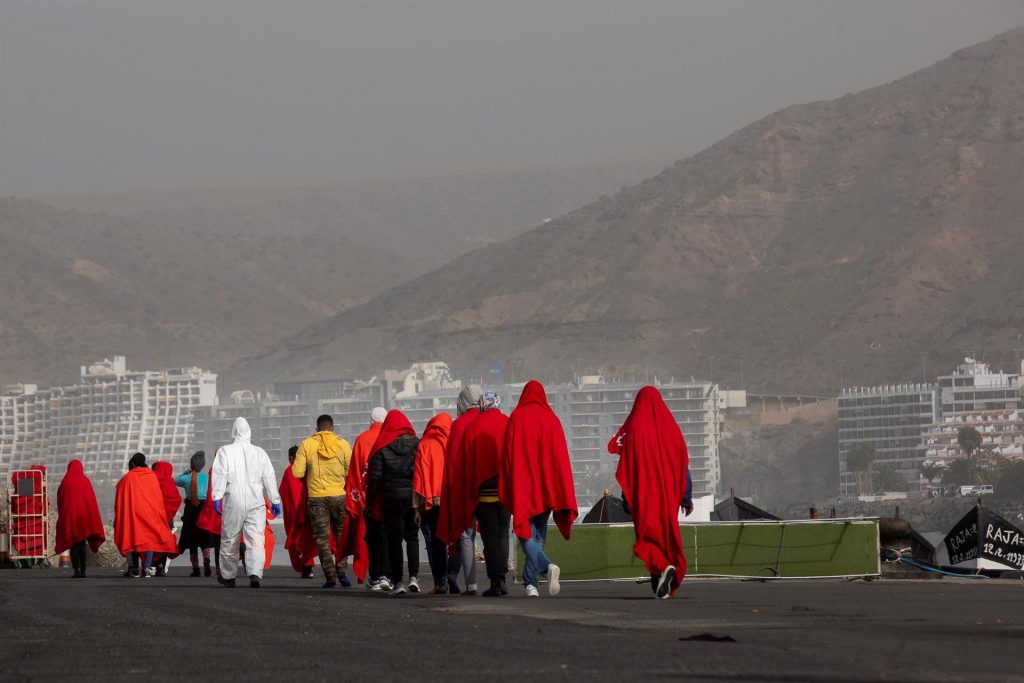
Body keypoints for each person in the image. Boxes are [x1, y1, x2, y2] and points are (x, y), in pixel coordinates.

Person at [608, 386, 692, 599]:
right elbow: (682, 465)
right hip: (669, 497)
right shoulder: (672, 429)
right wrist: (686, 497)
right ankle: (661, 583)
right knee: (665, 535)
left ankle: (664, 568)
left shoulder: (634, 428)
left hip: (645, 497)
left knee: (647, 539)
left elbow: (628, 466)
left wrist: (627, 496)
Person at [501, 380, 578, 597]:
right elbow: (560, 459)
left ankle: (545, 569)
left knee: (525, 532)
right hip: (547, 489)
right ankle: (531, 584)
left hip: (524, 487)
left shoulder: (517, 418)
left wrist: (508, 482)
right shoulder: (552, 419)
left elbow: (508, 455)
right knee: (538, 535)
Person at [211, 417, 281, 588]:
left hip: (233, 497)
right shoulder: (260, 452)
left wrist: (217, 497)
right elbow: (269, 477)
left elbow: (220, 474)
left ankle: (228, 576)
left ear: (233, 432)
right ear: (249, 432)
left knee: (230, 538)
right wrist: (275, 500)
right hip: (256, 498)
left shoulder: (225, 451)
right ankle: (255, 572)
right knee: (256, 537)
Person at [460, 392, 510, 597]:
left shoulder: (473, 427)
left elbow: (466, 463)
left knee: (489, 538)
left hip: (483, 493)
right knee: (503, 534)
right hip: (505, 492)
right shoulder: (508, 423)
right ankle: (503, 579)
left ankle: (495, 582)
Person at [293, 414, 352, 588]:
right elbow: (351, 472)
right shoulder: (343, 444)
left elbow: (297, 472)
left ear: (317, 429)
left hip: (316, 497)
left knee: (322, 539)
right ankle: (342, 573)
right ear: (332, 428)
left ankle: (330, 577)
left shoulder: (307, 444)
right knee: (342, 536)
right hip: (339, 496)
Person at [365, 410, 419, 595]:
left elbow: (375, 478)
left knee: (394, 541)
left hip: (391, 499)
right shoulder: (417, 445)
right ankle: (414, 578)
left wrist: (369, 502)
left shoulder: (383, 447)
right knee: (412, 538)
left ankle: (398, 582)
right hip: (412, 499)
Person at [438, 385, 482, 595]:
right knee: (494, 535)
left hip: (464, 488)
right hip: (490, 488)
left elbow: (453, 462)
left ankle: (471, 584)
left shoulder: (458, 425)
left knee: (464, 533)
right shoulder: (486, 419)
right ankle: (496, 581)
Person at [114, 453, 179, 578]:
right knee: (149, 540)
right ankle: (147, 568)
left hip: (133, 513)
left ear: (133, 463)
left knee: (134, 539)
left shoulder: (128, 478)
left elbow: (120, 495)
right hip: (150, 513)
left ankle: (135, 569)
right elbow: (157, 497)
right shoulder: (151, 476)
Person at [345, 407, 386, 589]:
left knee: (368, 537)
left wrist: (355, 498)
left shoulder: (362, 439)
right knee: (387, 537)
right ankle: (387, 576)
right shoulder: (389, 437)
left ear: (371, 420)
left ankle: (374, 575)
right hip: (387, 495)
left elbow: (354, 471)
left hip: (365, 496)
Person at [412, 412, 453, 594]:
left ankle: (440, 582)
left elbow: (418, 478)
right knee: (451, 540)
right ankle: (454, 576)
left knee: (432, 542)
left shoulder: (424, 444)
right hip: (449, 499)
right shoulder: (452, 443)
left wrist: (416, 507)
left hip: (428, 501)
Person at [55, 459, 106, 578]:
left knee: (73, 543)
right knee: (82, 543)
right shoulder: (85, 481)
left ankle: (76, 569)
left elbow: (61, 500)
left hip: (70, 517)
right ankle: (83, 570)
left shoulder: (65, 482)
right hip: (83, 518)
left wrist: (63, 516)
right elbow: (91, 501)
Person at [175, 450, 216, 577]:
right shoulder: (207, 478)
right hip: (204, 509)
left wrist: (185, 472)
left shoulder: (187, 478)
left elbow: (176, 481)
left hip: (190, 510)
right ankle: (207, 560)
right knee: (204, 538)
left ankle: (196, 568)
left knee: (192, 540)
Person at [280, 445, 317, 578]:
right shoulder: (307, 470)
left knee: (296, 540)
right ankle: (310, 566)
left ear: (290, 458)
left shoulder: (288, 472)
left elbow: (283, 493)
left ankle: (305, 567)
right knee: (308, 538)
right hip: (307, 511)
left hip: (293, 514)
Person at [150, 461, 182, 577]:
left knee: (153, 539)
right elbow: (176, 498)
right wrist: (170, 512)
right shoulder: (170, 483)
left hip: (154, 516)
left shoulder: (152, 480)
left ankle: (153, 563)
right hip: (168, 518)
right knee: (165, 540)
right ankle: (161, 566)